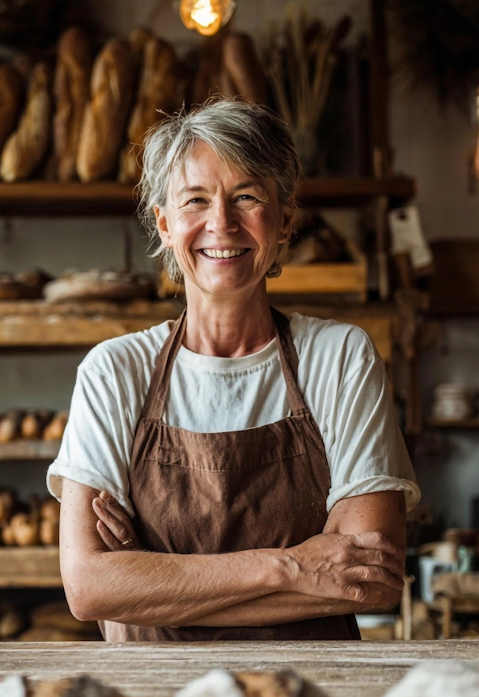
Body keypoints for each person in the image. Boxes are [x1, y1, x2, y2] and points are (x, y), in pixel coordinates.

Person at [47, 99, 420, 642]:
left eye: (246, 197)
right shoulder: (114, 371)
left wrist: (151, 587)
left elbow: (373, 580)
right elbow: (88, 588)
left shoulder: (339, 357)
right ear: (166, 225)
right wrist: (295, 566)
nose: (220, 223)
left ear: (285, 219)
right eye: (195, 200)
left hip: (311, 695)